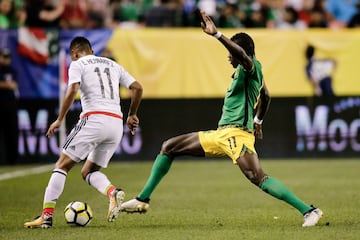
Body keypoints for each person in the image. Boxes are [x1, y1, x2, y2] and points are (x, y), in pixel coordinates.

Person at [121, 10, 323, 227]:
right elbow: (266, 95)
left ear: (240, 53)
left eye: (231, 53)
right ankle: (142, 200)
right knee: (168, 147)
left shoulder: (250, 67)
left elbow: (245, 60)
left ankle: (309, 211)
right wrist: (258, 121)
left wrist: (218, 36)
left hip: (236, 135)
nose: (228, 56)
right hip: (221, 134)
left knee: (258, 178)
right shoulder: (252, 72)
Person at [24, 36, 143, 228]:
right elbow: (137, 88)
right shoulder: (112, 64)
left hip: (94, 119)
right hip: (115, 123)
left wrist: (60, 119)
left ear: (74, 53)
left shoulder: (78, 63)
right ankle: (112, 192)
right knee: (88, 171)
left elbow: (72, 90)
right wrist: (132, 115)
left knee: (62, 165)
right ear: (92, 50)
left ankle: (46, 217)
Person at [0, 48, 18, 165]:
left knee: (11, 133)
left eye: (7, 57)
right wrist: (8, 85)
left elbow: (14, 85)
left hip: (10, 106)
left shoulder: (13, 70)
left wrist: (4, 84)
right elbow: (10, 85)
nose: (6, 60)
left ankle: (12, 161)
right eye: (4, 57)